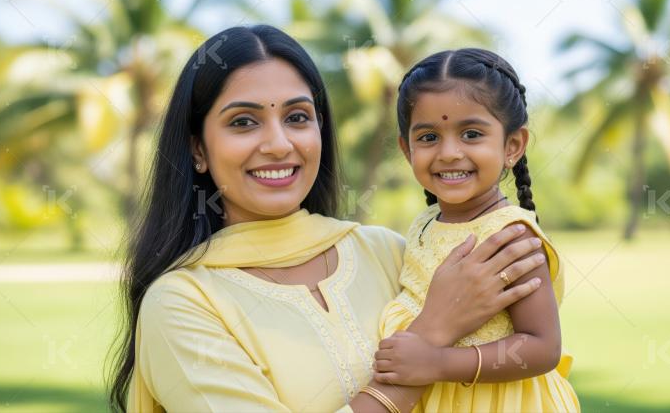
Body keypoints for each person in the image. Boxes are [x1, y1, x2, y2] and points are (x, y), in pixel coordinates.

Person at [107, 26, 548, 412]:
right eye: (244, 122)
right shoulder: (184, 304)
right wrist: (431, 335)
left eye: (297, 117)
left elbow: (530, 360)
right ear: (198, 150)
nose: (279, 144)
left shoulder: (387, 252)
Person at [375, 48, 580, 412]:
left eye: (471, 134)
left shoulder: (510, 236)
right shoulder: (423, 223)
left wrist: (439, 363)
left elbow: (542, 346)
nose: (449, 152)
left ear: (512, 146)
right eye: (428, 137)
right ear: (407, 150)